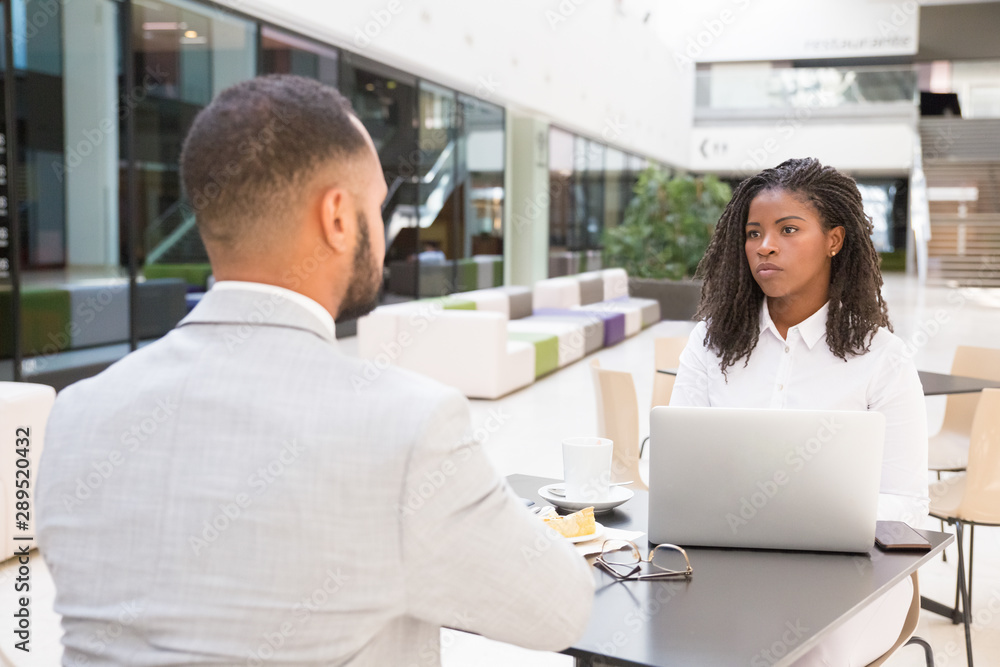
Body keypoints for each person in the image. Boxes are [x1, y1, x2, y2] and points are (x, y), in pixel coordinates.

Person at [37, 75, 593, 666]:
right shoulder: (406, 427)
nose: (383, 232)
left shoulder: (75, 415)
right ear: (337, 217)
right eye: (376, 206)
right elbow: (560, 611)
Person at [670, 158, 928, 666]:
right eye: (754, 233)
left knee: (803, 650)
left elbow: (906, 504)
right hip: (728, 566)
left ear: (834, 240)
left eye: (788, 229)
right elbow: (676, 469)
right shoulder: (708, 344)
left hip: (855, 579)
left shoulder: (882, 358)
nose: (764, 246)